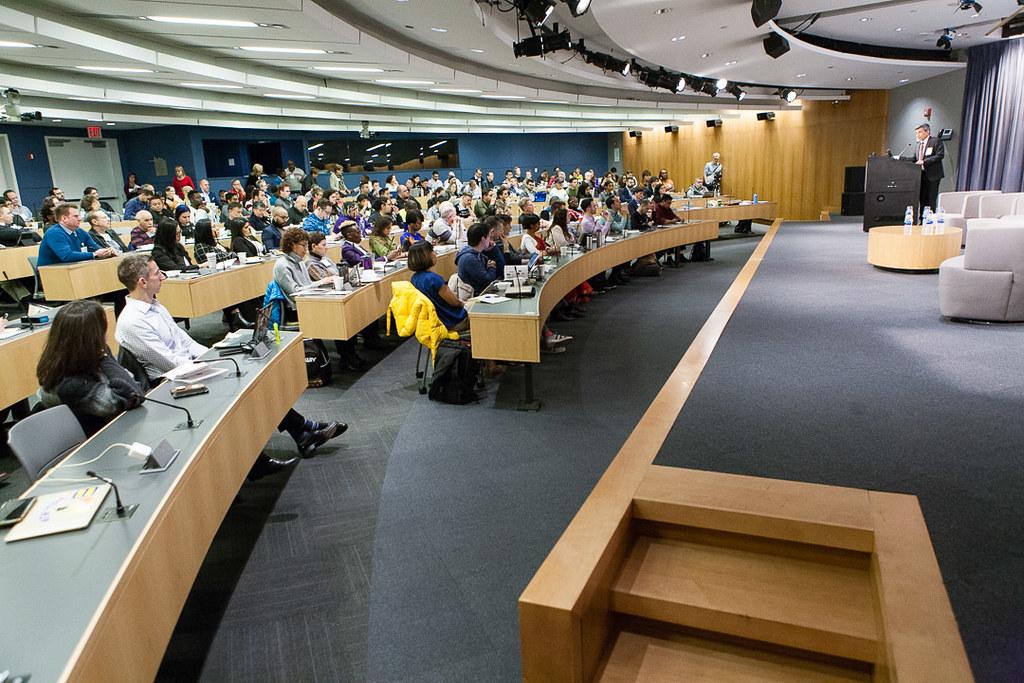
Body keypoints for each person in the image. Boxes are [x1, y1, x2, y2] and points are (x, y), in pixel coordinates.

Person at [115, 253, 345, 460]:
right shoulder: (133, 321)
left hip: (190, 369)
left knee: (252, 378)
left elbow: (184, 341)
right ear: (142, 282)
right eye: (157, 274)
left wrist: (215, 353)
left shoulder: (155, 306)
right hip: (172, 383)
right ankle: (302, 431)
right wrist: (214, 365)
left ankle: (303, 432)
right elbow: (169, 363)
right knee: (243, 385)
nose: (163, 277)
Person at [36, 299, 144, 436]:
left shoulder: (89, 356)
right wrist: (105, 357)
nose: (106, 334)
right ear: (91, 338)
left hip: (115, 429)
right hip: (98, 443)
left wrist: (104, 354)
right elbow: (130, 396)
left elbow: (131, 386)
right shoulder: (69, 384)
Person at [408, 241, 470, 333]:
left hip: (433, 322)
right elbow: (455, 303)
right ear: (426, 256)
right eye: (432, 251)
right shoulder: (434, 279)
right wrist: (468, 304)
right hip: (452, 321)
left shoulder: (414, 279)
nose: (435, 253)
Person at [36, 203, 116, 266]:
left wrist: (106, 251)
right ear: (64, 218)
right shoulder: (54, 233)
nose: (80, 219)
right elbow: (67, 256)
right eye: (76, 216)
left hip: (74, 268)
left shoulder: (80, 232)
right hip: (50, 274)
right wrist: (94, 255)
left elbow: (95, 247)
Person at [902, 122, 945, 212]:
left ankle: (930, 220)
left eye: (920, 132)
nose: (917, 134)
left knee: (930, 199)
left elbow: (940, 155)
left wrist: (924, 162)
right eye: (916, 132)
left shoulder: (935, 141)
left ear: (927, 132)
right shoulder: (918, 145)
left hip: (932, 176)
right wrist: (900, 158)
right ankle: (922, 220)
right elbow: (914, 159)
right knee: (922, 199)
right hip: (920, 176)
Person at [455, 223, 497, 296]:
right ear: (483, 239)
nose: (490, 241)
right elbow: (488, 281)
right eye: (488, 237)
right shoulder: (469, 258)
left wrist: (492, 249)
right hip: (476, 296)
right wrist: (492, 267)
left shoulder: (476, 253)